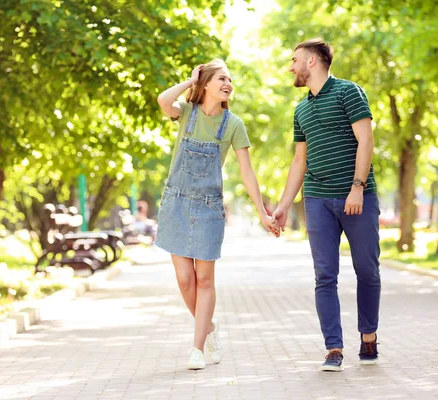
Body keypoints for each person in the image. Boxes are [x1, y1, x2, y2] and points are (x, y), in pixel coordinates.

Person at [155, 59, 279, 370]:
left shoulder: (233, 124)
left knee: (205, 279)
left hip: (209, 207)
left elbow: (247, 173)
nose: (228, 84)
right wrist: (190, 80)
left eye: (230, 80)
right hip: (177, 203)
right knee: (185, 280)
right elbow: (163, 101)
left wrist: (263, 213)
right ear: (207, 83)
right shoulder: (186, 114)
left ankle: (197, 349)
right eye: (222, 78)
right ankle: (208, 328)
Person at [272, 38, 381, 372]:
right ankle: (333, 348)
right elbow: (299, 162)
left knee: (367, 270)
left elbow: (366, 139)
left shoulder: (349, 92)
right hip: (317, 199)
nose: (290, 66)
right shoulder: (300, 110)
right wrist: (283, 205)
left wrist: (357, 188)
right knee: (324, 276)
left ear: (312, 62)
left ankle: (369, 337)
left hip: (356, 197)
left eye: (294, 60)